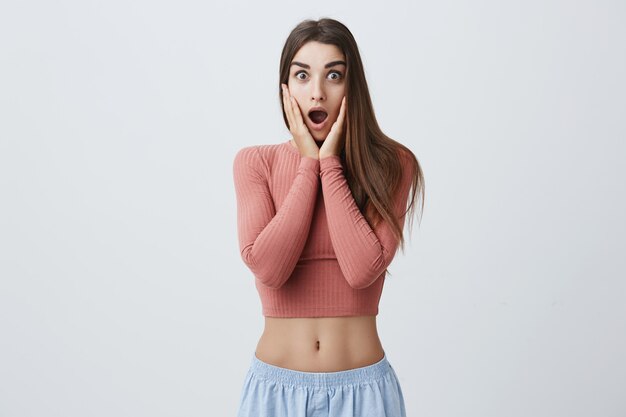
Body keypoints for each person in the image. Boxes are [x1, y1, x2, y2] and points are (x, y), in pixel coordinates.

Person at [233, 17, 425, 417]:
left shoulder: (392, 165)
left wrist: (330, 164)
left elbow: (360, 270)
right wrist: (308, 164)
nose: (317, 93)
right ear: (285, 89)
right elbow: (269, 268)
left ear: (352, 88)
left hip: (363, 393)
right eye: (302, 75)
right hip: (275, 392)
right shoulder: (256, 163)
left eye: (333, 75)